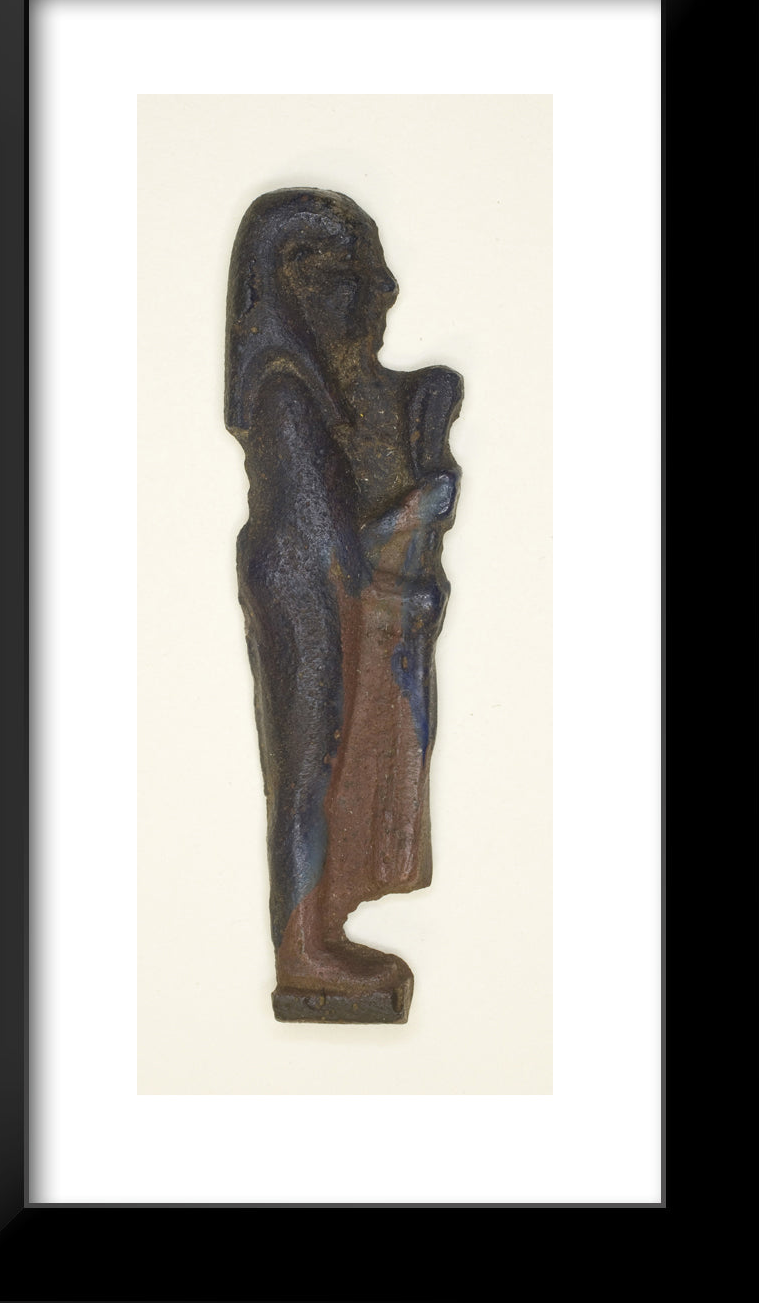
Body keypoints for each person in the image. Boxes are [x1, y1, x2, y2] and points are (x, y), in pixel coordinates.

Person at [226, 188, 462, 1021]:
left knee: (321, 760)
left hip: (312, 578)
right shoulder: (285, 392)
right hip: (304, 587)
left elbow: (334, 536)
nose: (374, 296)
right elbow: (325, 541)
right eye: (344, 277)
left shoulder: (306, 390)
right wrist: (412, 514)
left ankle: (316, 931)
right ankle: (303, 949)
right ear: (288, 286)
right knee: (308, 766)